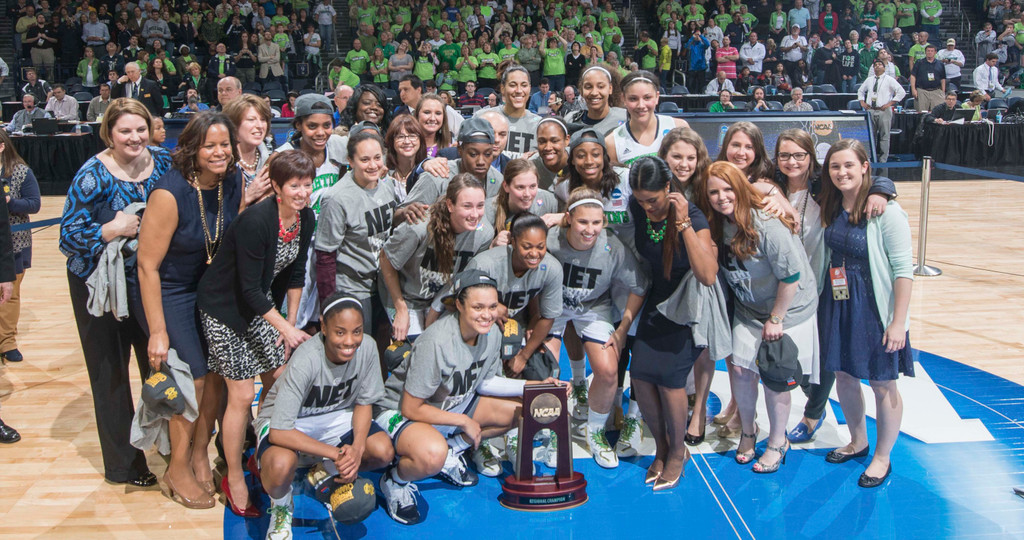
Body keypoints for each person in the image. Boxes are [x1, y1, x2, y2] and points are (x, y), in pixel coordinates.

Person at [376, 269, 562, 524]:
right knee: (431, 453)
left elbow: (485, 382)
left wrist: (537, 385)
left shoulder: (491, 333)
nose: (487, 315)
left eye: (492, 306)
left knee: (523, 411)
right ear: (459, 305)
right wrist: (464, 422)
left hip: (448, 404)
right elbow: (410, 408)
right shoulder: (437, 341)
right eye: (478, 307)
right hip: (401, 410)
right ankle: (395, 480)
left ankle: (452, 451)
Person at [196, 149, 316, 516]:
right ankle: (233, 477)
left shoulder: (305, 217)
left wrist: (290, 324)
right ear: (276, 187)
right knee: (242, 393)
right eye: (294, 185)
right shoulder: (256, 221)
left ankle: (259, 453)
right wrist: (283, 327)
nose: (302, 192)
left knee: (278, 381)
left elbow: (295, 275)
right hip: (224, 310)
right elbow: (247, 288)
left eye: (307, 184)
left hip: (261, 309)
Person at [60, 98, 172, 488]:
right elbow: (68, 236)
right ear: (109, 133)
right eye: (125, 130)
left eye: (140, 129)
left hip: (147, 281)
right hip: (99, 288)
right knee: (109, 373)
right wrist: (111, 229)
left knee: (157, 367)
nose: (134, 137)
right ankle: (125, 464)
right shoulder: (92, 174)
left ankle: (170, 447)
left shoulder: (163, 161)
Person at [135, 112, 243, 510]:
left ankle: (200, 453)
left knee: (216, 376)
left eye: (224, 144)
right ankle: (177, 467)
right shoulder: (169, 193)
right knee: (193, 379)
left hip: (207, 289)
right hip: (169, 290)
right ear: (193, 149)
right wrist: (158, 331)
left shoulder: (231, 181)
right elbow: (147, 267)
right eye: (209, 145)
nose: (218, 152)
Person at [700, 160, 819, 473]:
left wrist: (776, 319)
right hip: (750, 307)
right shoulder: (718, 221)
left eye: (728, 189)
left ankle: (778, 442)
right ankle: (749, 432)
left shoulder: (765, 222)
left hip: (787, 309)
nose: (721, 196)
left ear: (740, 188)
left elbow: (791, 276)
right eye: (714, 191)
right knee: (740, 370)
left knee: (774, 379)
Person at [256, 294, 395, 539]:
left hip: (335, 415)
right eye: (340, 332)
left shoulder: (369, 347)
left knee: (382, 450)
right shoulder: (307, 358)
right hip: (287, 420)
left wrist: (357, 450)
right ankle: (281, 506)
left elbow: (364, 403)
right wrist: (337, 452)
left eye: (357, 331)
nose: (350, 341)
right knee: (279, 467)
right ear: (323, 327)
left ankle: (325, 470)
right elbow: (279, 429)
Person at [817, 138, 913, 488]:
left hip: (873, 307)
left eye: (848, 165)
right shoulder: (831, 203)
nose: (841, 172)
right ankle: (858, 441)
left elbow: (903, 270)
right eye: (834, 166)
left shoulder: (886, 211)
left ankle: (883, 457)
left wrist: (898, 323)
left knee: (882, 382)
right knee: (843, 375)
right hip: (838, 299)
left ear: (864, 167)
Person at [626, 156, 717, 488]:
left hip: (689, 308)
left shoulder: (693, 215)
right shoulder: (639, 210)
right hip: (657, 303)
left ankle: (678, 452)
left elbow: (707, 275)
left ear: (668, 187)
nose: (646, 207)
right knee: (640, 376)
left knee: (670, 380)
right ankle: (662, 447)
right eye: (640, 201)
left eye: (652, 200)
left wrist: (682, 223)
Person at [544, 188, 648, 468]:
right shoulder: (549, 239)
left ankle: (595, 433)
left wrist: (623, 327)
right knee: (544, 370)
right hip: (552, 308)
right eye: (582, 222)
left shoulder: (612, 246)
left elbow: (639, 287)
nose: (590, 230)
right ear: (568, 219)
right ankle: (549, 431)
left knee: (608, 370)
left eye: (596, 222)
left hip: (593, 307)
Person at [380, 175, 493, 342]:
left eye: (480, 206)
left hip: (437, 298)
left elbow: (461, 277)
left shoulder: (485, 234)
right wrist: (401, 308)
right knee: (413, 349)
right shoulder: (419, 226)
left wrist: (435, 310)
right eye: (467, 206)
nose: (475, 214)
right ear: (450, 205)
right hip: (405, 297)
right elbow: (385, 260)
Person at [314, 125, 401, 328]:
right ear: (350, 161)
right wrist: (329, 305)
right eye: (364, 160)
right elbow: (325, 256)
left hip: (383, 285)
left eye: (377, 158)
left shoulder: (386, 185)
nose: (373, 165)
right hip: (353, 288)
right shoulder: (336, 198)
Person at [0, 131, 40, 364]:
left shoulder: (21, 172)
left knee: (10, 294)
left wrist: (9, 203)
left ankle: (7, 342)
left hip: (14, 242)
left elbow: (34, 204)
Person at [407, 117, 503, 206]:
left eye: (487, 154)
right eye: (473, 154)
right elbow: (402, 216)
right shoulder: (437, 176)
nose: (481, 161)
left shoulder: (497, 180)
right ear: (460, 150)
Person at [606, 71, 689, 167]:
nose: (641, 105)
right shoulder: (612, 142)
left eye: (647, 98)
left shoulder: (678, 127)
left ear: (657, 97)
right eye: (633, 99)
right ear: (623, 99)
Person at [477, 64, 541, 159]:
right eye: (512, 85)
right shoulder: (482, 117)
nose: (519, 90)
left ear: (530, 88)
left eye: (524, 85)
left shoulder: (539, 125)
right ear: (502, 89)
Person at [486, 158, 561, 236]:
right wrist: (492, 245)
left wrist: (562, 218)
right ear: (506, 186)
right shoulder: (489, 210)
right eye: (520, 187)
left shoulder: (549, 201)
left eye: (532, 186)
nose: (527, 194)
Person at [224, 94, 273, 201]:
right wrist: (248, 196)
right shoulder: (222, 162)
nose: (260, 126)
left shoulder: (272, 159)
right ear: (234, 124)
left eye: (263, 119)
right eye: (251, 120)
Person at [858, 59, 905, 163]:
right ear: (873, 68)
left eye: (880, 64)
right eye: (875, 65)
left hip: (884, 110)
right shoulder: (869, 80)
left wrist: (890, 103)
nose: (877, 66)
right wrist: (862, 102)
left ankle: (883, 159)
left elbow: (901, 92)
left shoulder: (889, 79)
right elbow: (860, 91)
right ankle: (871, 158)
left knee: (884, 136)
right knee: (871, 135)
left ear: (884, 68)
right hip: (871, 110)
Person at [563, 65, 628, 138]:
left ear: (610, 89)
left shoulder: (625, 118)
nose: (594, 93)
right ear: (581, 91)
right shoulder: (570, 120)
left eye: (600, 87)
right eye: (588, 87)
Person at [384, 115, 428, 201]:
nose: (407, 141)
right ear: (392, 141)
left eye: (412, 136)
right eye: (400, 137)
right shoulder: (384, 172)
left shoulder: (427, 168)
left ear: (420, 139)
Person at [910, 44, 945, 112]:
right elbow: (913, 76)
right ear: (925, 52)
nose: (930, 52)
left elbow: (943, 78)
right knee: (921, 113)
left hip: (936, 91)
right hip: (922, 91)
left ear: (935, 52)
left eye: (932, 51)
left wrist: (943, 91)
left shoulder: (940, 64)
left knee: (937, 113)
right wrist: (913, 89)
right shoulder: (919, 62)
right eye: (928, 51)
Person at [415, 94, 453, 158]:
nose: (432, 118)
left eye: (438, 113)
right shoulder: (407, 147)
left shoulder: (450, 150)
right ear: (417, 115)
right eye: (427, 112)